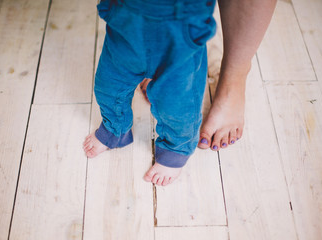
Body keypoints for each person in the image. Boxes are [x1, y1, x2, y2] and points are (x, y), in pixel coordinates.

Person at [83, 0, 277, 186]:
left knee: (178, 107)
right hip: (124, 33)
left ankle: (175, 149)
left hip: (179, 42)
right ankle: (115, 129)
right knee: (106, 87)